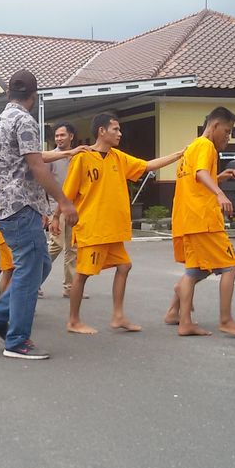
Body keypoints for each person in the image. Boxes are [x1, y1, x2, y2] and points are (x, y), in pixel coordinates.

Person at [0, 69, 81, 360]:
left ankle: (0, 315)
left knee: (40, 266)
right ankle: (17, 341)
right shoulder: (25, 121)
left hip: (6, 209)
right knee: (29, 270)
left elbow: (3, 166)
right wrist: (63, 201)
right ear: (33, 97)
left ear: (9, 93)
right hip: (22, 208)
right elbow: (36, 166)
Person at [50, 112, 185, 334]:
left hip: (112, 229)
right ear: (101, 131)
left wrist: (178, 155)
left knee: (124, 266)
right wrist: (56, 217)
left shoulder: (118, 158)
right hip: (92, 228)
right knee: (82, 274)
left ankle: (118, 316)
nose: (119, 133)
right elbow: (67, 193)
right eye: (116, 129)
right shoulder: (82, 158)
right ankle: (73, 320)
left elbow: (148, 166)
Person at [163, 106, 235, 337]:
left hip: (187, 219)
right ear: (214, 126)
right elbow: (202, 174)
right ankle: (226, 320)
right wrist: (220, 193)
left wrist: (219, 178)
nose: (228, 136)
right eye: (227, 130)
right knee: (231, 266)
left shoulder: (191, 148)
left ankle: (179, 316)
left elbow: (197, 179)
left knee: (195, 271)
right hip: (203, 219)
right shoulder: (206, 146)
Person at [43, 122, 86, 299]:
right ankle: (33, 281)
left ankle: (70, 288)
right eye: (56, 136)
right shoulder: (51, 157)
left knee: (73, 248)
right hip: (56, 208)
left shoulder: (78, 157)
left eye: (62, 135)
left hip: (75, 207)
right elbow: (43, 185)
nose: (59, 139)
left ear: (71, 137)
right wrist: (47, 213)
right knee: (56, 245)